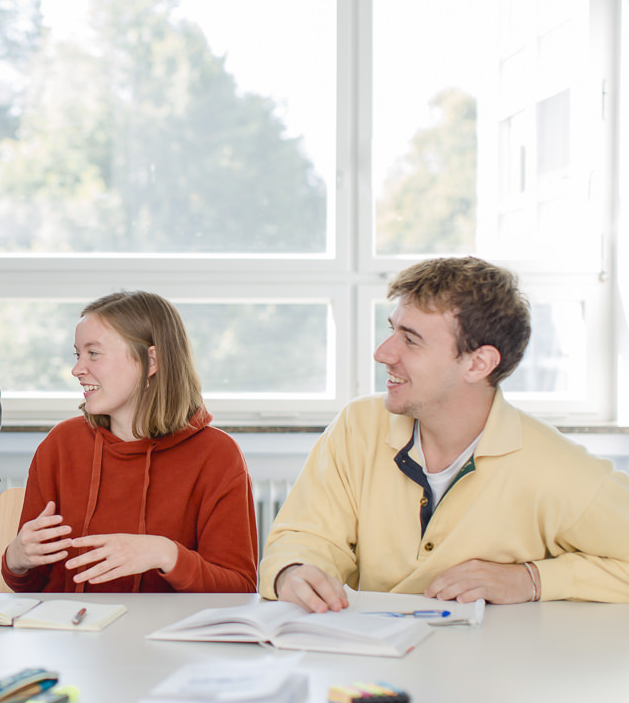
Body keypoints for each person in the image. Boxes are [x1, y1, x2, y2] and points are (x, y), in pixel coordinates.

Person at [260, 256, 629, 611]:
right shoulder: (357, 426)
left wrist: (532, 580)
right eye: (392, 330)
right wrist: (294, 571)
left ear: (478, 363)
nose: (383, 352)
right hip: (371, 669)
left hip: (493, 669)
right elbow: (305, 535)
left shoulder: (555, 466)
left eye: (411, 339)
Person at [2, 291, 257, 593]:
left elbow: (238, 590)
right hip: (70, 635)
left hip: (163, 638)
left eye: (93, 353)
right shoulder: (61, 445)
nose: (77, 369)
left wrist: (167, 554)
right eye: (77, 354)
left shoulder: (217, 455)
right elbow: (32, 585)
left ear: (151, 361)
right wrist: (17, 559)